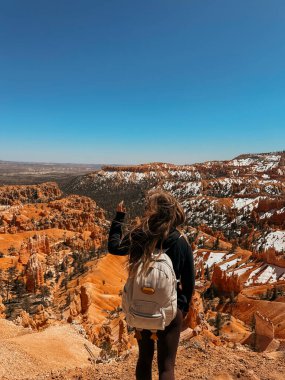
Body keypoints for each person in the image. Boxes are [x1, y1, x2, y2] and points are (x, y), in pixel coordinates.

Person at [108, 189, 195, 380]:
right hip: (171, 310)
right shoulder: (181, 241)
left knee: (144, 359)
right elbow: (189, 281)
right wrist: (184, 307)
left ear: (152, 211)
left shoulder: (141, 235)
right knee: (166, 367)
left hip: (141, 308)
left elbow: (114, 247)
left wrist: (119, 217)